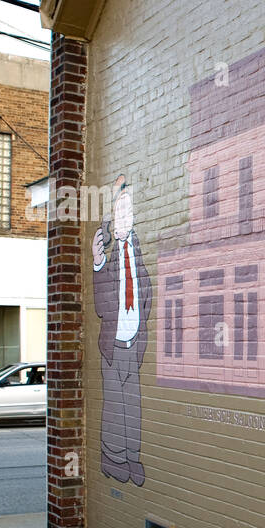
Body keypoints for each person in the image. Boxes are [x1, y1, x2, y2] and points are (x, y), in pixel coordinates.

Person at [93, 176, 151, 487]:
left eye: (128, 212)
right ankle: (113, 459)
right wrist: (98, 263)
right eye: (119, 213)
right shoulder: (109, 258)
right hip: (113, 347)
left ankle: (132, 456)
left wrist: (142, 332)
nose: (124, 218)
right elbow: (102, 306)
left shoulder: (136, 253)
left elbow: (147, 294)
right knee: (115, 403)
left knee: (133, 402)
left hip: (133, 345)